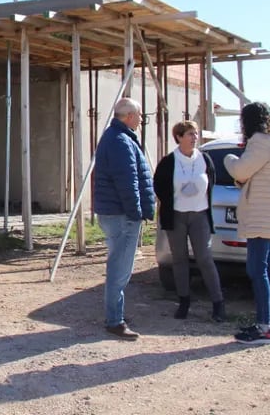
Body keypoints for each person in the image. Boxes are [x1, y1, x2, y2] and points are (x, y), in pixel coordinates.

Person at [224, 102, 270, 345]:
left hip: (261, 214)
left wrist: (229, 159)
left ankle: (264, 328)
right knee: (267, 268)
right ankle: (269, 322)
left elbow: (241, 170)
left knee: (257, 269)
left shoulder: (260, 141)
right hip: (268, 211)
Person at [93, 97, 156, 340]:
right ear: (129, 116)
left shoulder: (118, 138)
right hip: (122, 214)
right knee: (120, 268)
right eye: (139, 115)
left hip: (117, 212)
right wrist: (136, 212)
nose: (141, 119)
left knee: (119, 265)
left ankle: (115, 316)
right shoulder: (120, 141)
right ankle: (114, 320)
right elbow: (128, 182)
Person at [154, 120, 226, 321]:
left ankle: (218, 303)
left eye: (195, 134)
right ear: (178, 137)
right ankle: (184, 301)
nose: (194, 138)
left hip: (199, 214)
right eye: (189, 134)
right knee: (179, 259)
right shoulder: (169, 161)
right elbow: (159, 186)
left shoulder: (204, 159)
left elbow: (212, 181)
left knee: (204, 257)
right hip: (176, 215)